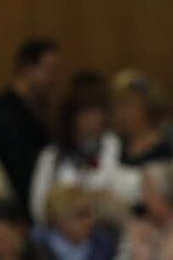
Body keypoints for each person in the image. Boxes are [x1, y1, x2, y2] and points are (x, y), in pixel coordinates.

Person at [30, 77, 131, 218]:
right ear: (72, 116)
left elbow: (119, 193)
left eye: (98, 112)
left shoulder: (116, 147)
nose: (93, 119)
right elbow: (38, 207)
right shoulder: (51, 156)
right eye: (86, 113)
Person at [0, 38, 63, 208]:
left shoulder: (42, 109)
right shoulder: (1, 112)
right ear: (28, 68)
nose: (54, 78)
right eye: (50, 69)